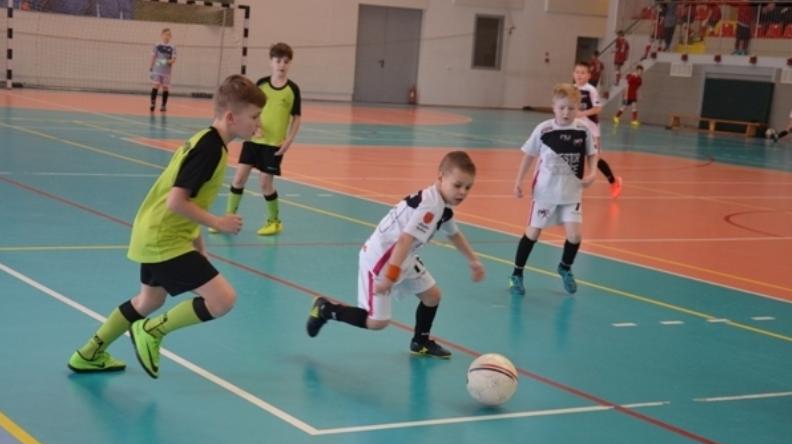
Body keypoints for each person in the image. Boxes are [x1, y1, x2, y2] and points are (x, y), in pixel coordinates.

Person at [67, 75, 267, 378]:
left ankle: (88, 353)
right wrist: (218, 222)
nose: (258, 123)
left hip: (153, 232)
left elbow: (190, 201)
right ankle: (152, 331)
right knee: (223, 299)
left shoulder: (206, 141)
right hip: (163, 238)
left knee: (149, 300)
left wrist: (198, 247)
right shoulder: (209, 149)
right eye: (254, 116)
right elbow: (176, 201)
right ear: (231, 117)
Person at [305, 151, 485, 359]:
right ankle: (325, 309)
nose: (462, 192)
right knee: (377, 322)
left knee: (432, 296)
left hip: (403, 256)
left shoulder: (441, 204)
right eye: (457, 185)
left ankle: (420, 341)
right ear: (441, 177)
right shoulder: (431, 206)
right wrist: (390, 277)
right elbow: (404, 240)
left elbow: (453, 233)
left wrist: (473, 260)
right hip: (382, 259)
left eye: (468, 187)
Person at [509, 84, 598, 296]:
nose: (566, 112)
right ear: (554, 107)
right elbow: (529, 155)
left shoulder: (583, 130)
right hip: (545, 193)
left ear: (577, 108)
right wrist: (518, 181)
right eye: (562, 108)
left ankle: (565, 267)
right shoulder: (544, 130)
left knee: (575, 236)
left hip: (572, 193)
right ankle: (517, 274)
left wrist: (593, 173)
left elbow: (592, 154)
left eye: (571, 108)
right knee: (533, 233)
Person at [212, 42, 302, 236]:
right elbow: (251, 109)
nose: (282, 65)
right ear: (271, 62)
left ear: (290, 64)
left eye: (286, 61)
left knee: (265, 184)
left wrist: (288, 140)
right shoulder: (261, 84)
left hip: (273, 145)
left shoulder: (293, 89)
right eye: (278, 60)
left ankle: (274, 222)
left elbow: (297, 117)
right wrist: (257, 126)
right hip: (253, 141)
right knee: (238, 179)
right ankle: (227, 220)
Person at [572, 62, 623, 198]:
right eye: (577, 72)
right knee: (576, 157)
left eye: (583, 73)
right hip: (576, 129)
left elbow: (598, 108)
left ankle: (614, 182)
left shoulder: (591, 90)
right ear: (573, 74)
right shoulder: (571, 89)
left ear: (589, 75)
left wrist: (582, 113)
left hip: (591, 130)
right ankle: (574, 187)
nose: (579, 75)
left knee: (594, 159)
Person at [149, 28, 177, 113]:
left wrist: (165, 61)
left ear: (170, 36)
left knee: (165, 88)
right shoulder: (157, 45)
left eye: (169, 35)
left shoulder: (173, 47)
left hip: (166, 72)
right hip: (157, 70)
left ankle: (163, 105)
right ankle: (153, 104)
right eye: (165, 34)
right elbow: (153, 57)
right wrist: (151, 68)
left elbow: (173, 60)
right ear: (162, 35)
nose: (167, 36)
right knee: (155, 86)